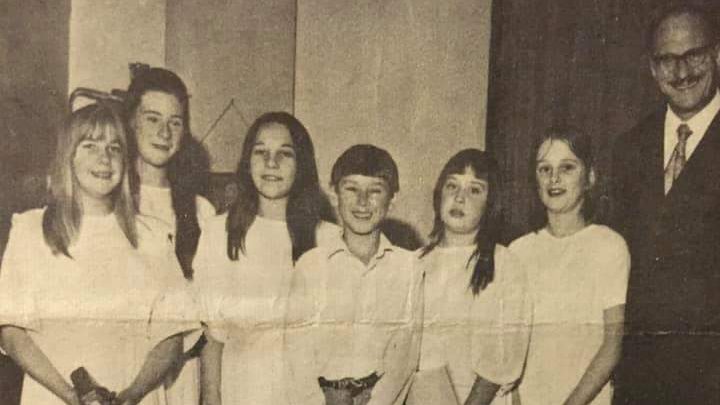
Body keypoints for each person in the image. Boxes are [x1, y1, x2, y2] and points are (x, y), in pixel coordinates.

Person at [0, 98, 199, 405]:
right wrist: (70, 395)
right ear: (68, 157)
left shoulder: (153, 237)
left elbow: (172, 337)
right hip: (53, 397)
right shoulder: (30, 230)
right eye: (90, 145)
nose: (104, 158)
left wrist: (131, 395)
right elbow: (12, 332)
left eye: (114, 148)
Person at [610, 5, 720, 404]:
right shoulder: (628, 148)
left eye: (694, 55)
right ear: (653, 69)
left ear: (717, 54)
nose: (682, 71)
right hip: (640, 379)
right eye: (667, 60)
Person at [195, 112, 339, 405]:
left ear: (302, 165)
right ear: (247, 162)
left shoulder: (329, 238)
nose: (271, 163)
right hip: (241, 392)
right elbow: (212, 336)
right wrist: (211, 399)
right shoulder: (218, 232)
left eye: (285, 154)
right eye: (260, 152)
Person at [284, 144, 423, 405]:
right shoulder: (310, 265)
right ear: (334, 194)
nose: (362, 201)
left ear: (392, 200)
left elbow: (405, 354)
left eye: (375, 191)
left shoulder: (409, 267)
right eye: (351, 189)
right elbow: (296, 352)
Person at [510, 129, 629, 405]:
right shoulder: (518, 251)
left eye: (567, 167)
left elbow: (613, 343)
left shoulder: (609, 245)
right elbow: (510, 345)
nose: (554, 178)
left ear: (590, 178)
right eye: (544, 169)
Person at [124, 67, 216, 404]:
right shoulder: (113, 202)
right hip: (125, 368)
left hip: (180, 377)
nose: (164, 132)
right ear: (131, 122)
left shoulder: (201, 211)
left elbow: (210, 316)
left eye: (175, 122)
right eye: (152, 119)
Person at [413, 149, 530, 405]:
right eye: (452, 186)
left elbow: (500, 359)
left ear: (491, 204)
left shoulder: (505, 264)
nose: (459, 197)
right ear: (439, 194)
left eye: (474, 190)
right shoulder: (414, 262)